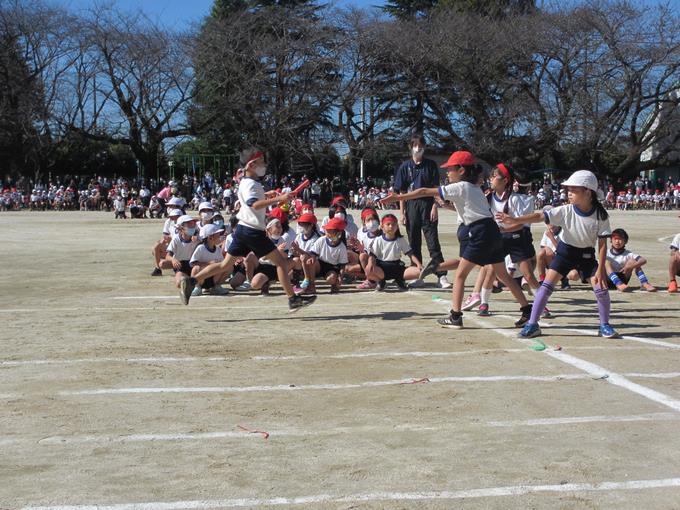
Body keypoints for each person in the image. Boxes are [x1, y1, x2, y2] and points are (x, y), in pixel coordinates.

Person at [382, 150, 532, 329]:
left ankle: (455, 316)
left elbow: (423, 191)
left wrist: (398, 197)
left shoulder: (460, 187)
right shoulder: (474, 188)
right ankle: (527, 310)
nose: (447, 172)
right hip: (491, 231)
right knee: (504, 276)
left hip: (480, 232)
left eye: (450, 169)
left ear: (461, 170)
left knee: (460, 275)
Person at [179, 148, 316, 311]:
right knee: (280, 262)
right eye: (261, 161)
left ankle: (192, 281)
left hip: (243, 229)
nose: (264, 165)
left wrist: (267, 195)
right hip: (253, 231)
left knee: (225, 265)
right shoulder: (252, 184)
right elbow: (254, 204)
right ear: (251, 164)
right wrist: (280, 198)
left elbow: (252, 199)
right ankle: (293, 299)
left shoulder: (245, 181)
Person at [496, 169, 618, 338]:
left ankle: (604, 325)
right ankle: (532, 324)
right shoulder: (566, 210)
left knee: (601, 289)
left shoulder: (601, 215)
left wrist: (600, 271)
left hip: (587, 256)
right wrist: (515, 220)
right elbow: (540, 216)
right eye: (568, 190)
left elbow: (603, 245)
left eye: (573, 190)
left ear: (588, 192)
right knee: (545, 288)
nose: (569, 193)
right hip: (565, 252)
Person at [392, 134, 450, 289]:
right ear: (411, 147)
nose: (419, 148)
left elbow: (435, 189)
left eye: (421, 146)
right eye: (416, 145)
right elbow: (401, 192)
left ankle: (441, 275)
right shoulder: (405, 166)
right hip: (411, 206)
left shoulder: (430, 165)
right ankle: (418, 274)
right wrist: (402, 213)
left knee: (433, 242)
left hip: (427, 204)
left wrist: (434, 207)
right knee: (414, 242)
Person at [364, 214, 422, 291]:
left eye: (393, 224)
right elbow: (372, 256)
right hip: (382, 268)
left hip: (397, 267)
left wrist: (419, 264)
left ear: (397, 226)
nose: (391, 226)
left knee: (419, 272)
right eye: (388, 224)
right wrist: (370, 263)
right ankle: (381, 281)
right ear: (382, 227)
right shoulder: (378, 240)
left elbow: (410, 254)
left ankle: (399, 280)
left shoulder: (400, 240)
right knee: (368, 271)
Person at [302, 217, 348, 294]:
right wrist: (312, 258)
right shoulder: (321, 240)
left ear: (338, 233)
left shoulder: (342, 247)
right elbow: (313, 253)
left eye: (330, 231)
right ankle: (311, 285)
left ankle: (334, 284)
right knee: (311, 261)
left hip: (332, 268)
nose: (327, 232)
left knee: (331, 278)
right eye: (327, 230)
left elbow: (342, 265)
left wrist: (340, 276)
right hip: (319, 264)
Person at [604, 228, 656, 292]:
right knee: (605, 261)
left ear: (625, 241)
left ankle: (644, 283)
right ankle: (618, 283)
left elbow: (643, 260)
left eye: (620, 239)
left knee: (633, 261)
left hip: (623, 280)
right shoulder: (606, 252)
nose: (617, 241)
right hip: (607, 281)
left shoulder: (628, 254)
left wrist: (629, 267)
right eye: (615, 239)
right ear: (611, 240)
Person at [189, 224, 230, 296]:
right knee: (196, 268)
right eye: (217, 235)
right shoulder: (201, 248)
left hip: (213, 278)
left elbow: (223, 264)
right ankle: (197, 287)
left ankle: (216, 286)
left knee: (228, 267)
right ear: (210, 238)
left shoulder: (217, 249)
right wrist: (209, 264)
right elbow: (192, 263)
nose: (220, 237)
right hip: (201, 278)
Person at [166, 215, 201, 291]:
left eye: (192, 224)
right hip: (181, 265)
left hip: (194, 264)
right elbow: (168, 256)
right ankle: (189, 282)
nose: (191, 226)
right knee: (179, 282)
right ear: (180, 227)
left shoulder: (198, 238)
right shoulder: (176, 239)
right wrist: (173, 260)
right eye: (188, 224)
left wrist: (197, 237)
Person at [151, 208, 183, 276]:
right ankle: (158, 269)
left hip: (179, 250)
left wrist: (170, 239)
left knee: (163, 264)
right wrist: (164, 240)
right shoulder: (170, 222)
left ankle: (177, 267)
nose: (172, 218)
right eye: (171, 217)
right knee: (156, 246)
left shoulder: (184, 224)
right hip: (171, 247)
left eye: (174, 216)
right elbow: (166, 235)